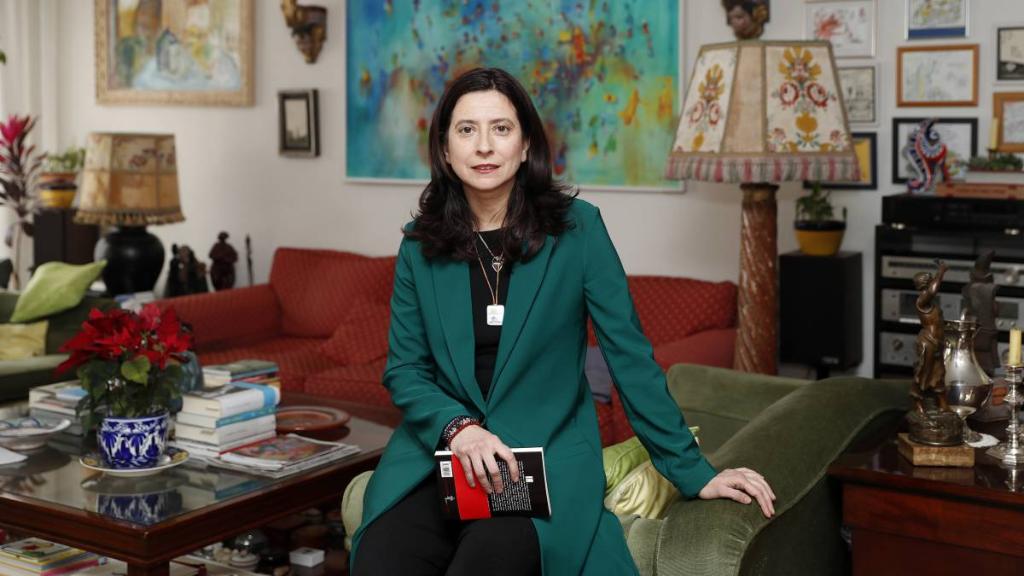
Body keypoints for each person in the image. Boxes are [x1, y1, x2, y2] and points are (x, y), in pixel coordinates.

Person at [351, 67, 775, 576]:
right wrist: (458, 429)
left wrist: (693, 472)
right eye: (466, 130)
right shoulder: (420, 243)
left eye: (501, 129)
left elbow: (630, 358)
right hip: (442, 455)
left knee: (488, 561)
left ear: (526, 144)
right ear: (444, 149)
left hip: (541, 459)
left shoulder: (579, 231)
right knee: (379, 558)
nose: (484, 145)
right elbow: (406, 370)